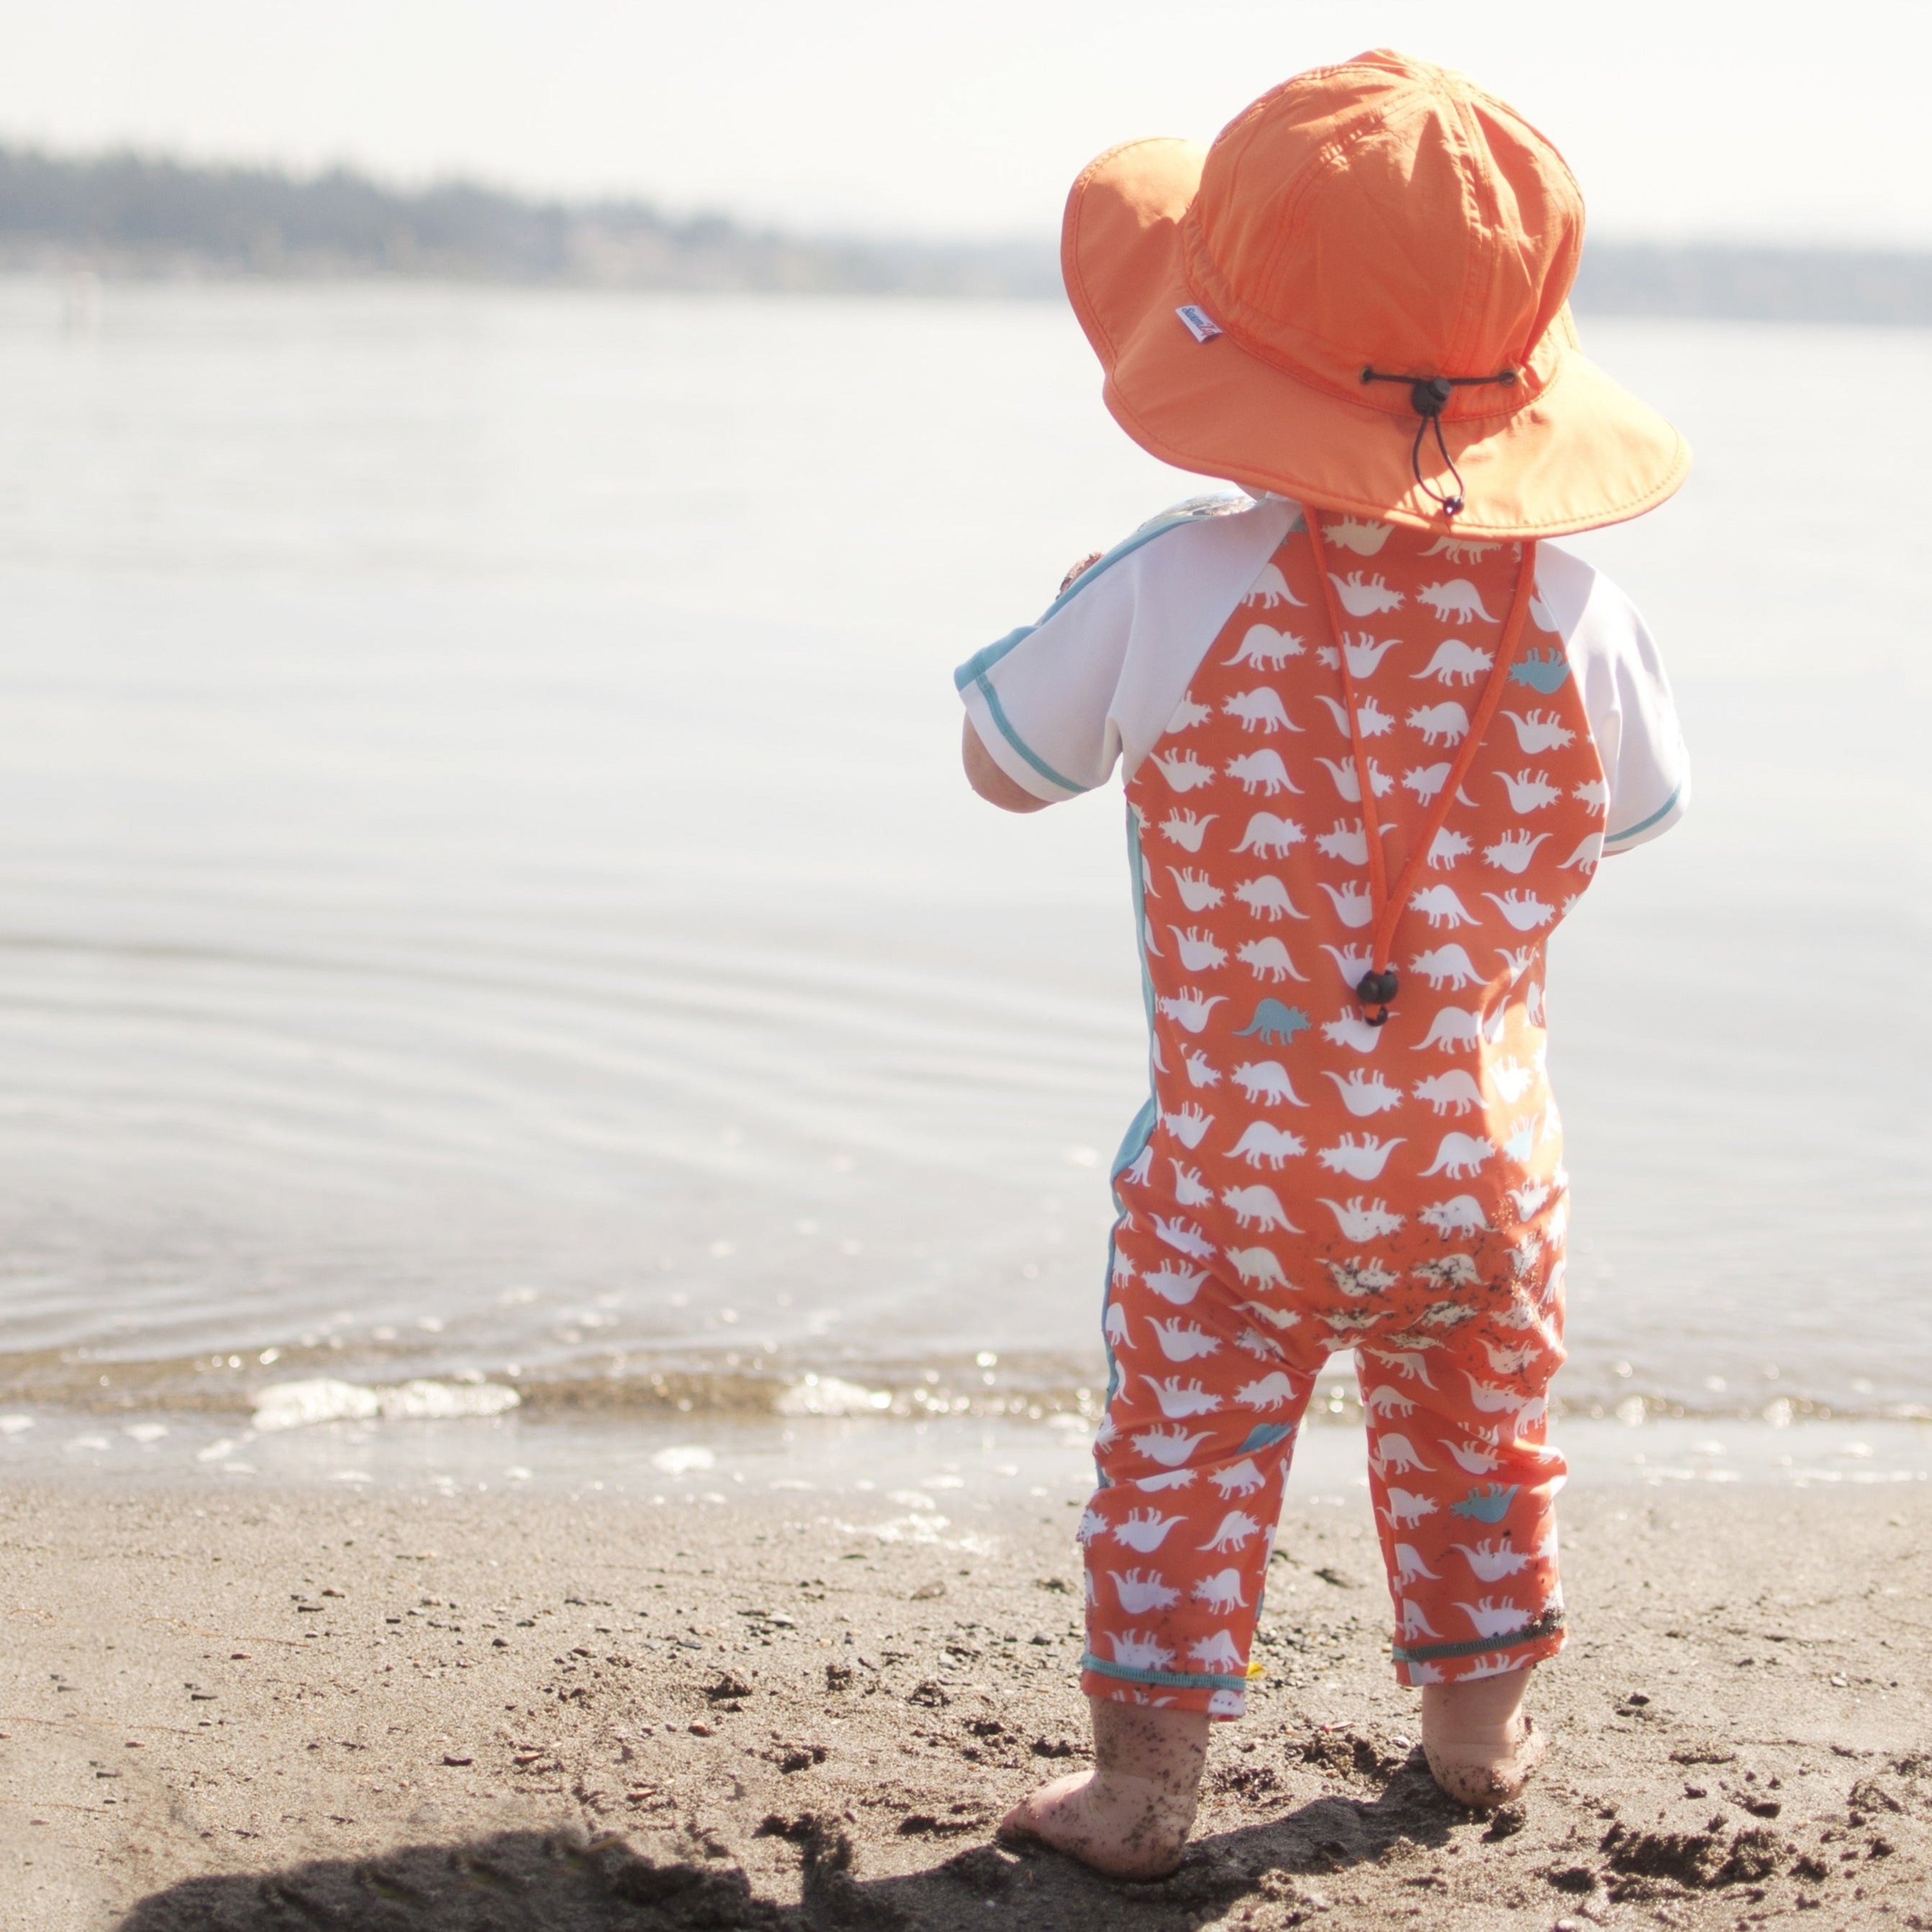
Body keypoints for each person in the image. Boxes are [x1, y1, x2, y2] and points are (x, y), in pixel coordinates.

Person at [954, 49, 1691, 1878]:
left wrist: (1080, 613)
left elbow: (1004, 767)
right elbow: (1621, 822)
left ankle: (1139, 1787)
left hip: (1237, 1171)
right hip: (1480, 1160)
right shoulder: (1585, 612)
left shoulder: (1173, 580)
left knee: (1184, 1454)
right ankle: (1477, 1735)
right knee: (1475, 1439)